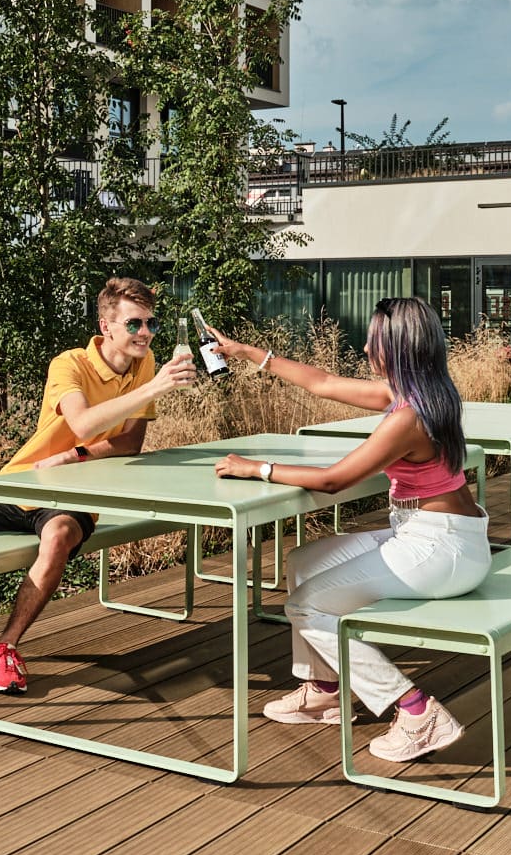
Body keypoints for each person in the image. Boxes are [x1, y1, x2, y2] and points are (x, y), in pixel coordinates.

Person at [0, 277, 199, 694]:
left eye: (150, 324)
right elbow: (81, 422)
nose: (147, 333)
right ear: (107, 327)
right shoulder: (70, 364)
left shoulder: (145, 363)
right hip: (22, 481)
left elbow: (130, 442)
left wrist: (75, 456)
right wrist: (153, 390)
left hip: (74, 496)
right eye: (135, 324)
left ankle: (5, 647)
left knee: (60, 533)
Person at [210, 296, 490, 763]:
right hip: (432, 534)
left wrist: (256, 468)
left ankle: (416, 711)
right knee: (303, 563)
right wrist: (247, 352)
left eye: (374, 341)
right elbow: (322, 383)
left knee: (307, 605)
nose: (364, 349)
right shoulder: (418, 394)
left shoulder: (407, 416)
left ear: (399, 347)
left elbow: (334, 480)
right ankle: (325, 690)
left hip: (439, 548)